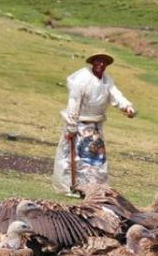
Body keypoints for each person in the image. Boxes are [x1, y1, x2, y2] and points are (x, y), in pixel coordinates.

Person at [53, 52, 135, 193]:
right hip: (79, 124)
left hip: (95, 125)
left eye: (104, 63)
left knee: (95, 159)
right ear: (93, 63)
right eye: (98, 61)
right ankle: (72, 187)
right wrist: (72, 125)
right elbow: (74, 101)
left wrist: (127, 106)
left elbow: (116, 95)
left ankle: (93, 188)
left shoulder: (107, 81)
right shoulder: (82, 79)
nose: (101, 65)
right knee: (77, 158)